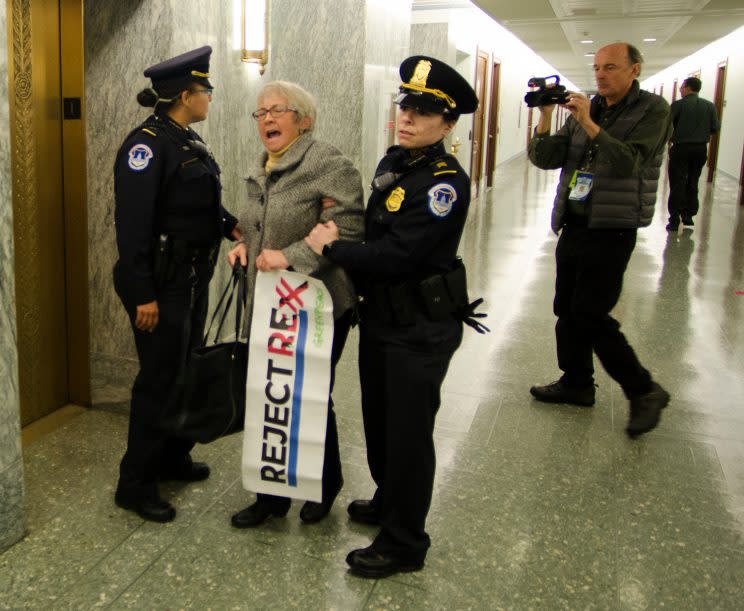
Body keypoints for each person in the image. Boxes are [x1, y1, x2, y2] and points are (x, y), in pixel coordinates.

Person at [305, 56, 480, 578]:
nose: (407, 117)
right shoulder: (401, 162)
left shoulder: (443, 183)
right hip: (384, 319)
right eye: (406, 106)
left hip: (418, 327)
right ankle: (388, 501)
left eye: (424, 112)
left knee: (407, 435)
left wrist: (334, 249)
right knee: (381, 424)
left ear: (447, 126)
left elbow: (397, 256)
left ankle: (406, 541)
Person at [227, 81, 364, 528]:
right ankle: (271, 496)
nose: (266, 118)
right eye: (260, 112)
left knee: (308, 394)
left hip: (318, 304)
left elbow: (346, 226)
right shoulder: (265, 165)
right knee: (271, 392)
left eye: (277, 110)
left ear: (304, 119)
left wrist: (291, 257)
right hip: (271, 306)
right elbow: (259, 221)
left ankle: (325, 483)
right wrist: (245, 244)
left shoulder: (329, 162)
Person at [113, 46, 240, 522]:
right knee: (158, 381)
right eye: (206, 90)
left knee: (185, 368)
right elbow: (132, 225)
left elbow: (199, 204)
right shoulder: (146, 145)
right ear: (186, 95)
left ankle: (172, 456)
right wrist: (142, 292)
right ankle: (136, 483)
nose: (210, 98)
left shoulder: (186, 140)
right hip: (160, 285)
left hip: (190, 277)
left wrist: (231, 226)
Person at [527, 42, 672, 438]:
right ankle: (576, 382)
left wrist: (590, 123)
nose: (601, 75)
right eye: (597, 68)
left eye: (610, 67)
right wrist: (544, 116)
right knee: (566, 308)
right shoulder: (587, 109)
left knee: (590, 312)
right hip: (574, 221)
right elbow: (546, 157)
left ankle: (644, 389)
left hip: (613, 225)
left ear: (634, 70)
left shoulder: (653, 111)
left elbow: (629, 163)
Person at [666, 76, 720, 230]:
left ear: (687, 87)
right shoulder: (709, 106)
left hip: (680, 149)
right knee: (693, 180)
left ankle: (674, 219)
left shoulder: (677, 105)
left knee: (677, 183)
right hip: (700, 149)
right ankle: (688, 215)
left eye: (682, 87)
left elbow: (667, 125)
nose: (680, 89)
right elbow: (715, 128)